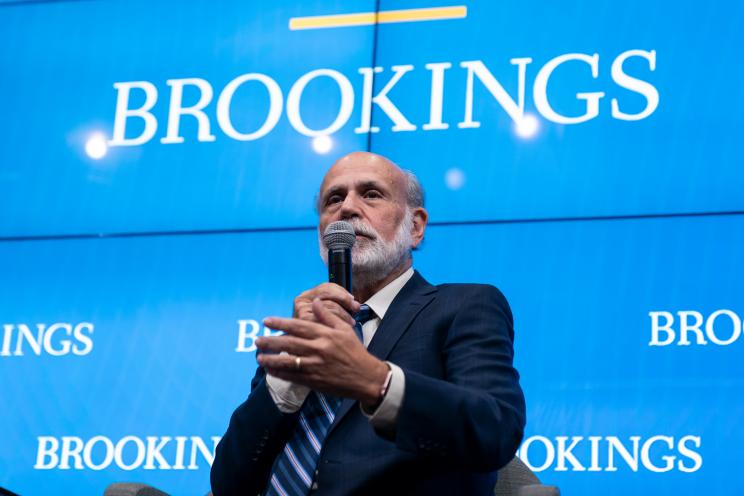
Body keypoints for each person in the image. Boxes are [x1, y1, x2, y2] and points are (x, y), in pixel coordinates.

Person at [211, 152, 525, 495]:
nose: (347, 209)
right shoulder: (302, 335)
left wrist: (375, 382)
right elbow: (228, 484)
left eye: (371, 194)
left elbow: (495, 431)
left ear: (415, 227)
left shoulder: (464, 306)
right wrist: (285, 384)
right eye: (334, 199)